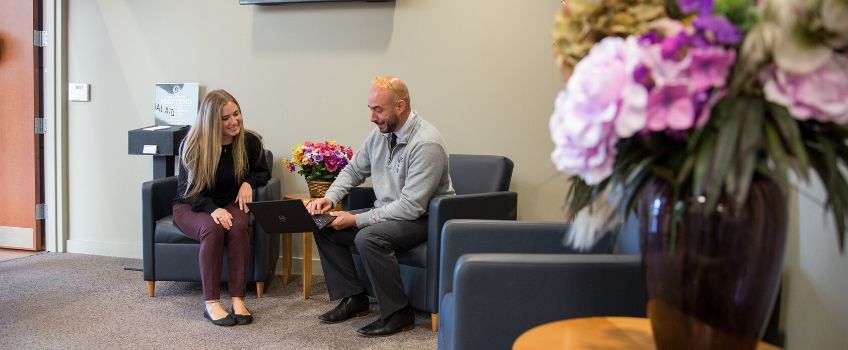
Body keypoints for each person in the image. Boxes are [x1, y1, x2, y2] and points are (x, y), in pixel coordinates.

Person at [306, 76, 454, 337]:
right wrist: (329, 198)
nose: (373, 117)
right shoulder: (380, 134)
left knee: (369, 237)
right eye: (371, 109)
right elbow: (353, 170)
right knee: (323, 224)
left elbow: (411, 207)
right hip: (390, 213)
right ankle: (354, 298)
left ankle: (399, 313)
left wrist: (356, 220)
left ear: (400, 106)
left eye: (378, 110)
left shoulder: (426, 142)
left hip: (423, 219)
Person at [172, 89, 270, 327]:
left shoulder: (249, 141)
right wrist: (212, 209)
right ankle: (211, 303)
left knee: (238, 226)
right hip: (192, 205)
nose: (234, 121)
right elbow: (189, 191)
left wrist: (248, 182)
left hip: (228, 201)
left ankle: (238, 299)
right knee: (213, 229)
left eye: (236, 114)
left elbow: (263, 171)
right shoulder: (193, 145)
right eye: (225, 118)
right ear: (212, 122)